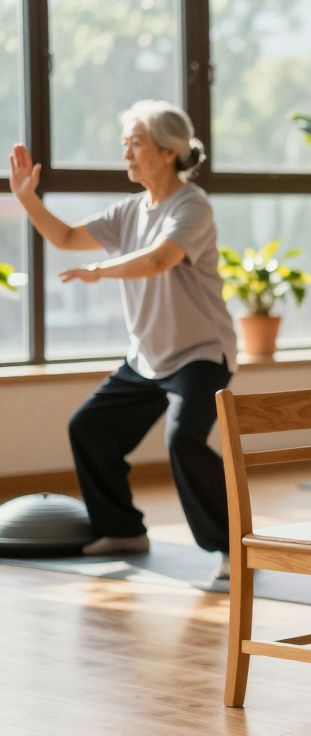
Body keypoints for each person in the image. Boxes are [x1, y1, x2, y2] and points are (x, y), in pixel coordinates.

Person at [8, 100, 236, 579]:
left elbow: (159, 259)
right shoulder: (130, 211)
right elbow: (68, 237)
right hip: (148, 357)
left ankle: (232, 546)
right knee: (89, 428)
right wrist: (27, 199)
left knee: (184, 441)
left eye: (136, 143)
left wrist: (99, 270)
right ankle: (124, 527)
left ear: (169, 150)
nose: (126, 154)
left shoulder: (191, 205)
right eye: (125, 144)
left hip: (200, 355)